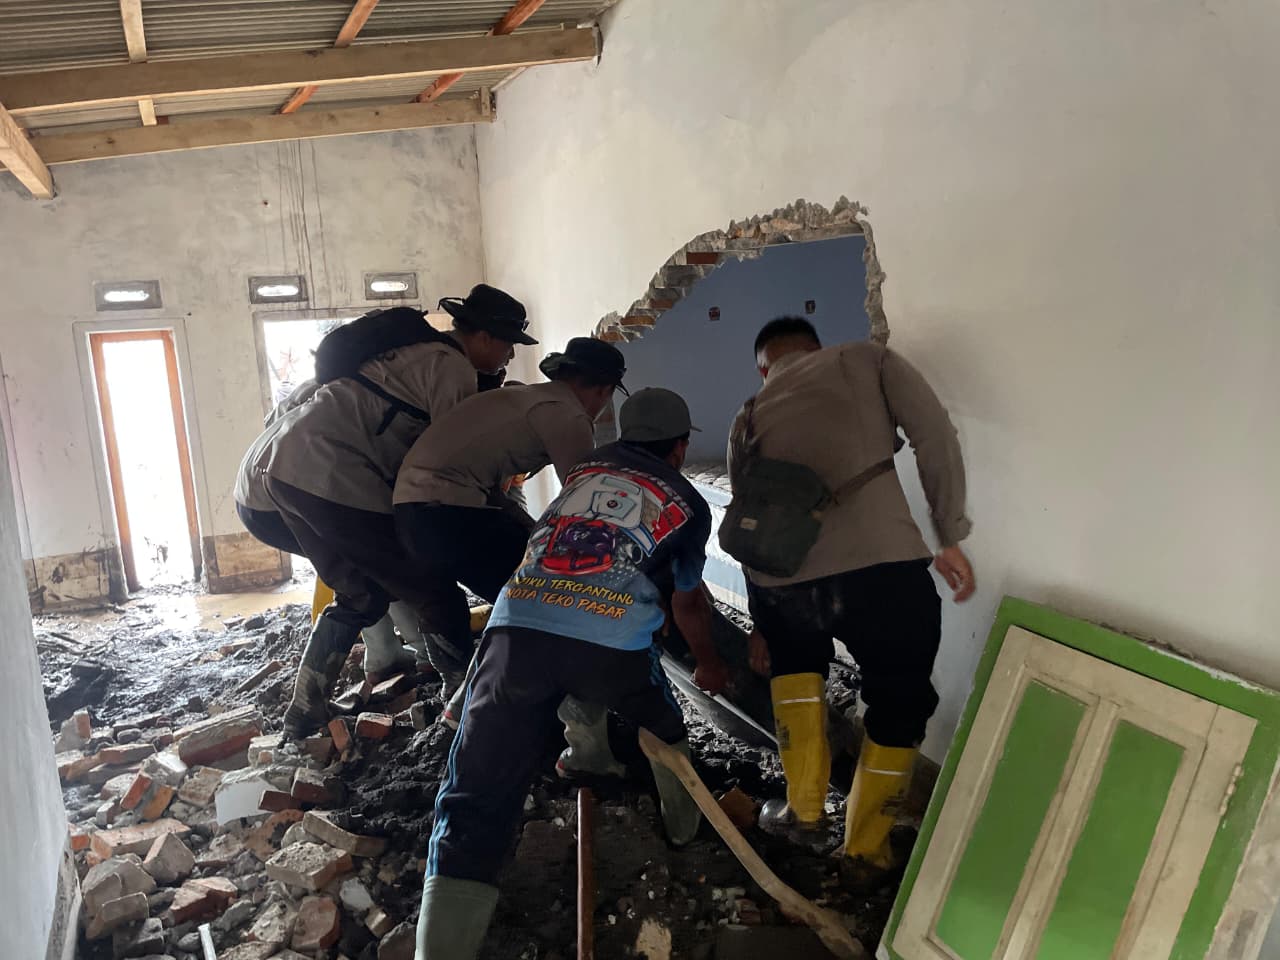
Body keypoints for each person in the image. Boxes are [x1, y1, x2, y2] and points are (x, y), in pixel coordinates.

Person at [414, 388, 730, 960]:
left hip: (515, 630)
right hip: (610, 646)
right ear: (681, 448)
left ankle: (439, 948)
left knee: (473, 794)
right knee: (662, 724)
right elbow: (689, 605)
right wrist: (708, 662)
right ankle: (685, 830)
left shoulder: (584, 471)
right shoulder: (687, 500)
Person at [730, 316, 975, 867]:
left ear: (764, 369)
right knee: (899, 698)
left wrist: (762, 623)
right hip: (883, 569)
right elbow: (935, 436)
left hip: (784, 582)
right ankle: (865, 849)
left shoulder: (747, 414)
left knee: (796, 675)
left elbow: (746, 523)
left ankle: (803, 814)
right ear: (816, 348)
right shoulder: (867, 360)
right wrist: (949, 535)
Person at [248, 285, 537, 737]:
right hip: (328, 471)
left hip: (283, 468)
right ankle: (463, 703)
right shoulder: (451, 366)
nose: (509, 357)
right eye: (507, 345)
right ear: (483, 336)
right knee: (434, 589)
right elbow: (450, 460)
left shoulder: (411, 352)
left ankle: (304, 711)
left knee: (361, 591)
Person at [393, 338, 625, 693]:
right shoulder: (568, 415)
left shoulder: (522, 397)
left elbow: (498, 499)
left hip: (413, 511)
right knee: (546, 600)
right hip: (448, 514)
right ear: (603, 390)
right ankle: (547, 699)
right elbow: (586, 509)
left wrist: (532, 533)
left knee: (514, 595)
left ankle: (463, 695)